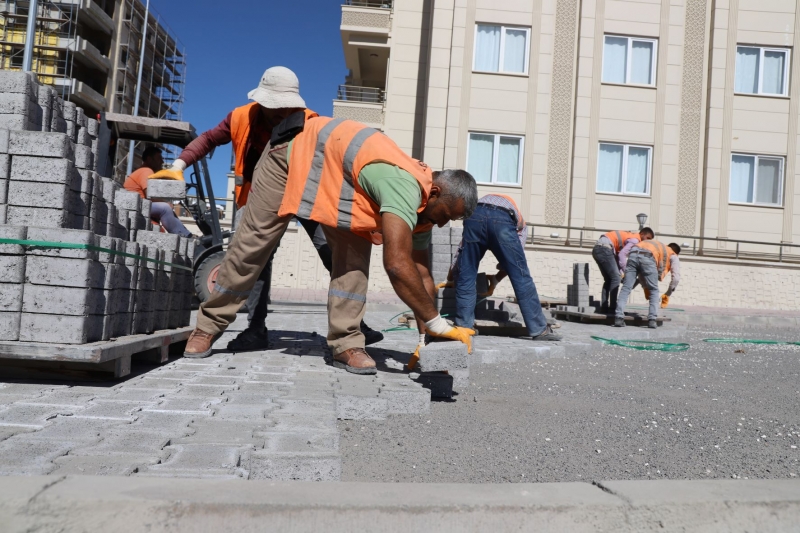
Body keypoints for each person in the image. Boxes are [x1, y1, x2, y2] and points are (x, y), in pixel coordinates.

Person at [183, 113, 479, 376]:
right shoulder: (403, 185)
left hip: (338, 176)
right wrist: (437, 322)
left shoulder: (427, 210)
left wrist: (430, 338)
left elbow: (421, 274)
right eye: (446, 216)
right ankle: (207, 327)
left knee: (353, 258)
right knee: (252, 246)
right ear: (435, 192)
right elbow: (397, 265)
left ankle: (346, 343)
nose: (443, 224)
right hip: (290, 158)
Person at [150, 66, 382, 351]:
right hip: (261, 196)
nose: (283, 113)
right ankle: (252, 329)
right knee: (249, 257)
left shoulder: (309, 121)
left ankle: (355, 325)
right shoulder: (240, 117)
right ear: (261, 101)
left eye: (287, 106)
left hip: (306, 194)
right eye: (276, 106)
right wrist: (178, 166)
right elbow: (209, 139)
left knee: (333, 252)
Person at [447, 194, 561, 343]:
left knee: (466, 274)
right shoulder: (522, 226)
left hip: (474, 215)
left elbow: (460, 252)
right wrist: (499, 275)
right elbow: (515, 264)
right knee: (521, 277)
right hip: (501, 220)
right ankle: (540, 330)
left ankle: (464, 326)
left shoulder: (484, 204)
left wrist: (452, 274)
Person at [123, 146, 192, 237]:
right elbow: (150, 195)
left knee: (166, 211)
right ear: (149, 159)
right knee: (165, 208)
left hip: (139, 205)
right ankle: (184, 235)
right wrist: (167, 203)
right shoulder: (146, 171)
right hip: (135, 205)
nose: (162, 161)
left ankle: (185, 233)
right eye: (159, 158)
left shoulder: (144, 171)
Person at [614, 240, 681, 328]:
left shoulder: (658, 247)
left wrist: (645, 287)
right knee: (654, 290)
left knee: (626, 288)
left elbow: (641, 271)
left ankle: (618, 318)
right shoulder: (673, 255)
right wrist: (668, 294)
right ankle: (652, 320)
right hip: (648, 256)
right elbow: (676, 278)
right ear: (676, 252)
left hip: (633, 253)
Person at [591, 227, 655, 313]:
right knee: (616, 278)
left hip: (598, 249)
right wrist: (627, 272)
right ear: (642, 234)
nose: (648, 241)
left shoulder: (629, 237)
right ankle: (613, 308)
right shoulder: (635, 240)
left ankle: (604, 308)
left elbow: (618, 259)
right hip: (605, 249)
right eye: (648, 238)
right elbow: (622, 255)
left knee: (609, 279)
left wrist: (622, 273)